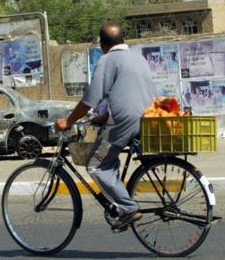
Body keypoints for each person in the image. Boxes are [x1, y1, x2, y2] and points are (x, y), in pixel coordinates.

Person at [56, 23, 156, 229]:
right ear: (123, 40)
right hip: (148, 118)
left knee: (96, 165)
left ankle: (128, 208)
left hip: (122, 123)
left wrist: (69, 121)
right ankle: (119, 204)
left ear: (103, 44)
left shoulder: (107, 59)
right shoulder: (138, 58)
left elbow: (90, 99)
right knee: (109, 159)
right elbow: (127, 94)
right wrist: (103, 117)